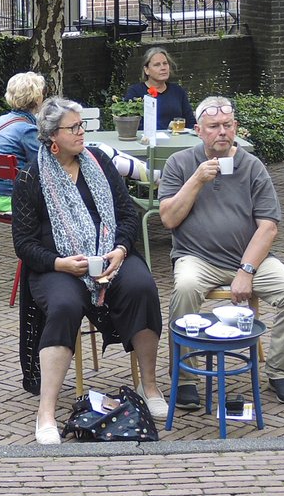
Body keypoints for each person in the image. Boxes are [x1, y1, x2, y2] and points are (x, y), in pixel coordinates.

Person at [13, 97, 168, 444]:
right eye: (74, 128)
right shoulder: (30, 178)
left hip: (110, 256)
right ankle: (46, 412)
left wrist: (121, 250)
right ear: (53, 138)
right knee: (66, 306)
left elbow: (127, 215)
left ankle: (150, 386)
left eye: (82, 126)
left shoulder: (99, 162)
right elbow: (23, 243)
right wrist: (60, 263)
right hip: (57, 266)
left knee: (142, 286)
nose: (82, 132)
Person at [158, 95, 284, 406]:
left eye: (227, 125)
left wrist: (247, 271)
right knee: (184, 289)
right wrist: (197, 179)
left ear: (236, 127)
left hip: (249, 259)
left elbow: (268, 227)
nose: (222, 132)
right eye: (214, 126)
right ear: (198, 130)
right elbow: (169, 219)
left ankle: (280, 372)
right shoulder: (180, 164)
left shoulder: (253, 167)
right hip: (197, 258)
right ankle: (185, 377)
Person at [0, 72, 45, 214]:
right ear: (36, 98)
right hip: (12, 200)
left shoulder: (1, 120)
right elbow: (43, 164)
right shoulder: (27, 130)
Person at [124, 46, 195, 129]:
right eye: (157, 65)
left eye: (165, 63)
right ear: (146, 70)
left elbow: (190, 122)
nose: (163, 68)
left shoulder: (177, 91)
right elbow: (129, 123)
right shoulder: (135, 92)